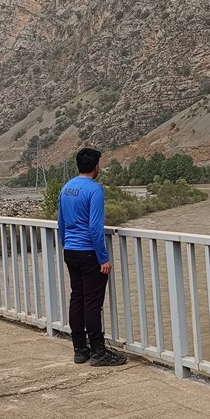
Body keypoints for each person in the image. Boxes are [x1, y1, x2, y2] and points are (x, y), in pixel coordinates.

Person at [58, 147, 126, 367]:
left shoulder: (66, 188)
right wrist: (103, 258)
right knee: (92, 303)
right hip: (89, 253)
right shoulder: (94, 190)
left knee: (77, 298)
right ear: (96, 166)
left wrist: (66, 245)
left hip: (71, 250)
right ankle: (99, 352)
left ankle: (80, 349)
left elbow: (61, 223)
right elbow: (95, 228)